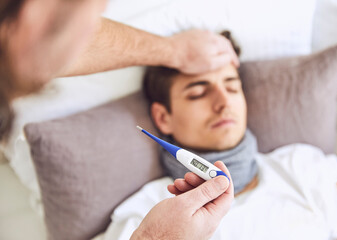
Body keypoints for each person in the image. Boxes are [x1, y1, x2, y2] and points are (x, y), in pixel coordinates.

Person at [0, 0, 239, 239]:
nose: (224, 103)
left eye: (233, 87)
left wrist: (175, 52)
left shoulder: (277, 168)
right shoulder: (141, 211)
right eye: (93, 12)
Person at [100, 31, 337, 240]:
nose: (223, 102)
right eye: (198, 93)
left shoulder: (301, 168)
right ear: (162, 118)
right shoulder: (142, 217)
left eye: (232, 87)